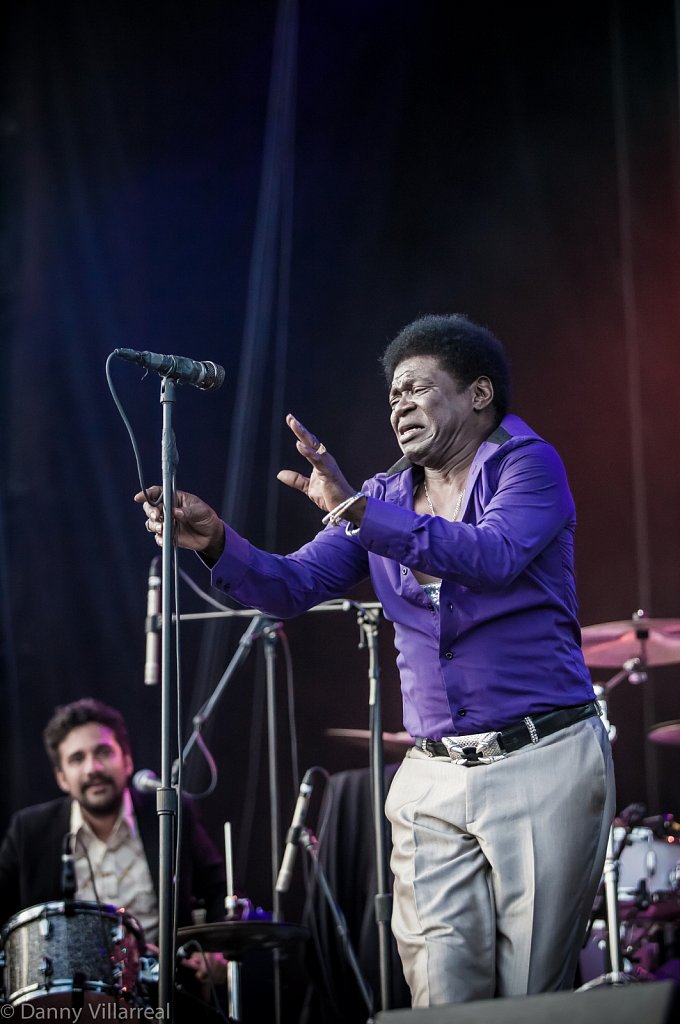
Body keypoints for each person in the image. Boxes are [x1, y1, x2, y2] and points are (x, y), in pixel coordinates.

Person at [136, 313, 615, 1007]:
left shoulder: (529, 466)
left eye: (417, 387)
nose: (398, 404)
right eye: (392, 394)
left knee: (529, 1000)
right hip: (431, 778)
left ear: (479, 396)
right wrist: (216, 541)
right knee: (441, 999)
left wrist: (356, 512)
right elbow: (289, 586)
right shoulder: (384, 497)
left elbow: (494, 555)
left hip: (541, 762)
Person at [0, 698, 227, 1008]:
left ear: (128, 761)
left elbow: (221, 891)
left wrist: (216, 955)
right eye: (77, 759)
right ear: (62, 777)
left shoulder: (170, 815)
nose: (93, 768)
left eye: (103, 752)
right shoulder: (29, 831)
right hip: (66, 1003)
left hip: (165, 994)